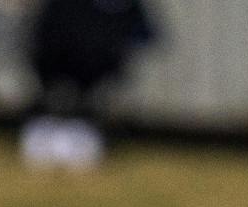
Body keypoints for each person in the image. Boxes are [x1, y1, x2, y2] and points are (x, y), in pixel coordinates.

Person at [20, 0, 157, 171]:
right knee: (54, 106)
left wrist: (115, 46)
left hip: (98, 71)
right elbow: (42, 33)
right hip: (57, 65)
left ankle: (80, 139)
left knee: (85, 117)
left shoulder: (127, 6)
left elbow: (146, 35)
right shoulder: (63, 7)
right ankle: (50, 137)